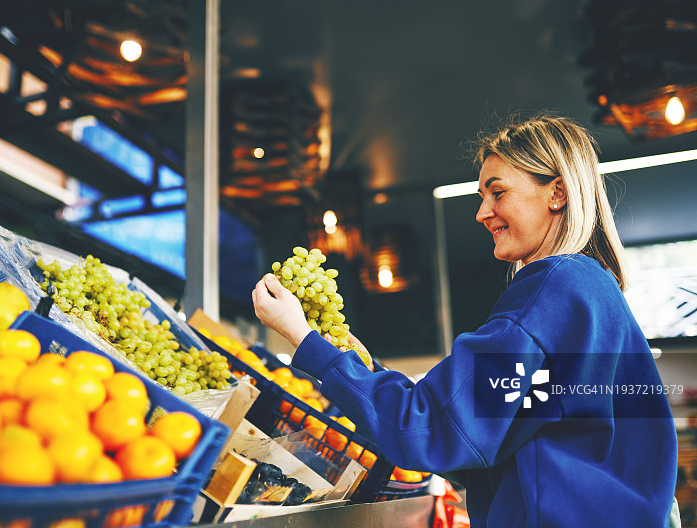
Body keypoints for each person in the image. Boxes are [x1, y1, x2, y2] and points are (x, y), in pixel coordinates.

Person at [252, 114, 679, 527]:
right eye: (481, 196)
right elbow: (487, 434)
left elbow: (429, 427)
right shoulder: (591, 292)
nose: (481, 212)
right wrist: (364, 372)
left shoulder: (555, 289)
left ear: (558, 193)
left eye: (497, 193)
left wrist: (303, 338)